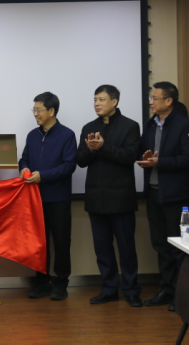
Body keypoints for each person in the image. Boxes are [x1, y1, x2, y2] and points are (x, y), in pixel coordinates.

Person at [75, 85, 142, 307]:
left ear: (114, 101)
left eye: (101, 99)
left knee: (126, 248)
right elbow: (80, 160)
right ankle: (109, 289)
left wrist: (103, 147)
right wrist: (92, 150)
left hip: (121, 199)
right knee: (102, 249)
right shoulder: (89, 127)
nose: (97, 104)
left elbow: (130, 156)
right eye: (95, 99)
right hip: (96, 198)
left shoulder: (130, 126)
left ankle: (131, 290)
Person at [136, 82, 189, 312]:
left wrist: (160, 162)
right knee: (160, 244)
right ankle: (166, 289)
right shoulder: (150, 124)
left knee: (178, 246)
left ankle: (183, 294)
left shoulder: (184, 125)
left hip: (176, 196)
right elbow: (144, 150)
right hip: (153, 192)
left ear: (169, 101)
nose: (151, 102)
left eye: (155, 98)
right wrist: (145, 158)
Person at [18, 92, 77, 301]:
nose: (35, 114)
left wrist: (43, 176)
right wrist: (24, 169)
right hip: (35, 199)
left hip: (58, 198)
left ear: (51, 111)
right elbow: (24, 159)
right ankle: (41, 282)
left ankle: (61, 284)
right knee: (38, 243)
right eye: (34, 110)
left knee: (61, 242)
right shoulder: (32, 135)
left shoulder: (67, 135)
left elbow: (69, 166)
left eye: (39, 110)